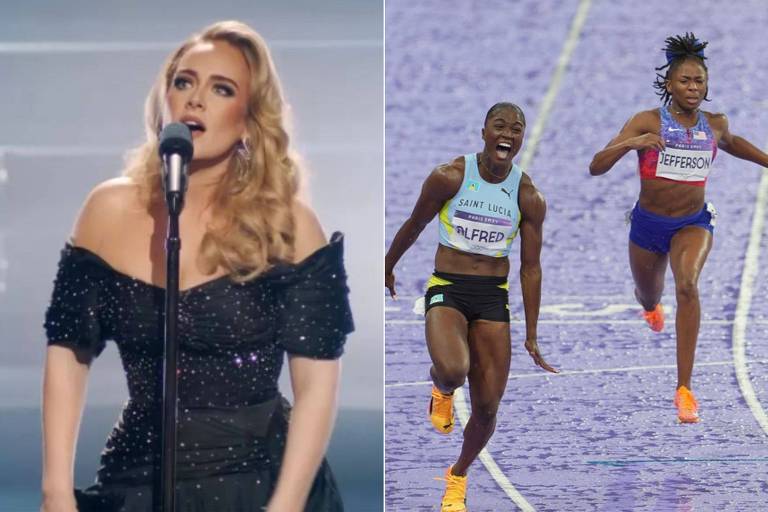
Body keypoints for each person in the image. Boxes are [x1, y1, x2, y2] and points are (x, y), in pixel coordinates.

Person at [40, 21, 353, 512]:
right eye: (183, 82)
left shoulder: (287, 224)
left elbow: (316, 386)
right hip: (139, 476)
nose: (195, 99)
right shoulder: (106, 210)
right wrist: (55, 490)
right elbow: (68, 350)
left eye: (221, 88)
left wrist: (286, 505)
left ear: (249, 119)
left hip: (260, 482)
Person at [385, 102, 558, 512]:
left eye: (516, 129)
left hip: (492, 297)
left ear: (520, 141)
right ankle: (441, 388)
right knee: (453, 368)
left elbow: (531, 268)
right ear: (484, 132)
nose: (508, 133)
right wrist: (387, 265)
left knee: (486, 407)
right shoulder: (449, 177)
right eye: (500, 126)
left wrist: (532, 333)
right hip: (448, 287)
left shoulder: (528, 196)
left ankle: (457, 475)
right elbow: (415, 224)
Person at [589, 33, 768, 424]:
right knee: (648, 292)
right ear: (669, 84)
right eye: (685, 81)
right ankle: (651, 308)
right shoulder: (647, 121)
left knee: (687, 284)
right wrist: (633, 142)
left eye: (699, 82)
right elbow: (596, 166)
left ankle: (684, 389)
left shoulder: (715, 124)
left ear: (707, 87)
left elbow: (735, 143)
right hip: (648, 226)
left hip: (693, 222)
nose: (692, 88)